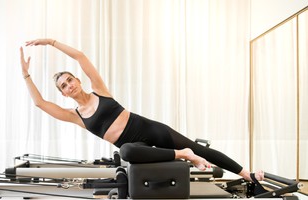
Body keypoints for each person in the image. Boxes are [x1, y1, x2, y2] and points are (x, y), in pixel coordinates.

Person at [19, 38, 264, 182]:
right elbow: (40, 103)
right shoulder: (76, 117)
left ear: (77, 80)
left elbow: (81, 56)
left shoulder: (99, 90)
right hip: (137, 148)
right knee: (126, 152)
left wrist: (50, 42)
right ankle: (184, 155)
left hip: (149, 129)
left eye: (69, 80)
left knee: (199, 147)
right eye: (63, 86)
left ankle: (246, 174)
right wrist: (26, 74)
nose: (68, 86)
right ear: (63, 93)